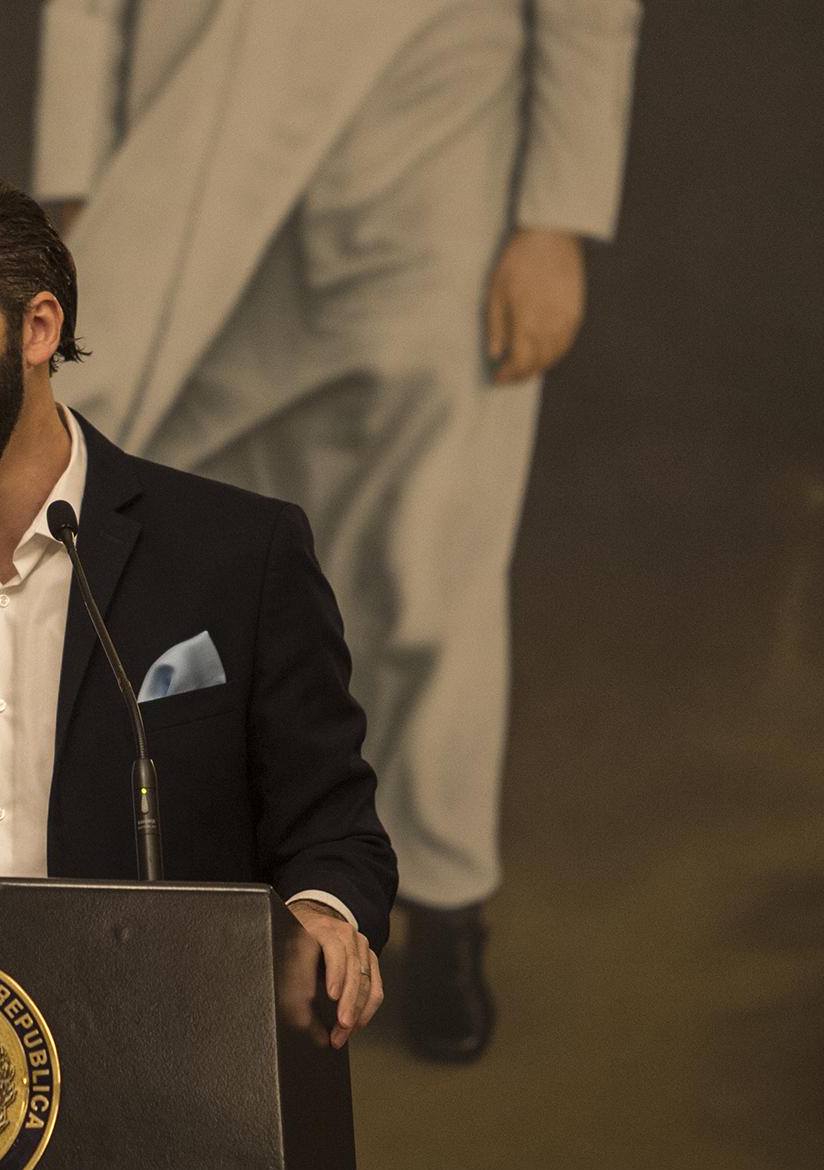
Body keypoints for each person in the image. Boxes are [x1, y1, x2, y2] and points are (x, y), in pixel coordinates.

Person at [33, 0, 641, 1060]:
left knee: (427, 570)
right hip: (197, 151)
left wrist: (554, 221)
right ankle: (190, 904)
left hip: (426, 151)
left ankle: (441, 901)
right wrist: (77, 183)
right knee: (182, 567)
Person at [0, 169, 394, 1039]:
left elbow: (332, 827)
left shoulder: (240, 556)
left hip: (168, 1084)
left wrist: (322, 917)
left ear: (38, 326)